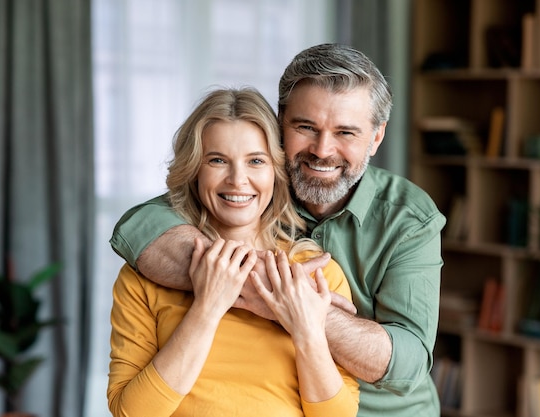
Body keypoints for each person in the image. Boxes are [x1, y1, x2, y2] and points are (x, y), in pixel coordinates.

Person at [110, 43, 446, 416]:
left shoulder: (409, 219)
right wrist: (270, 287)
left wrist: (296, 307)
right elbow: (139, 226)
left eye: (346, 133)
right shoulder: (252, 183)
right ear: (280, 122)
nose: (322, 150)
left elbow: (406, 364)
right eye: (306, 127)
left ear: (376, 137)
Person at [107, 87, 359, 417]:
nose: (238, 180)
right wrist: (207, 308)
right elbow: (132, 413)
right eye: (217, 160)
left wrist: (306, 328)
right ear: (195, 170)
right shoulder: (144, 276)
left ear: (276, 172)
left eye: (256, 161)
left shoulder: (315, 275)